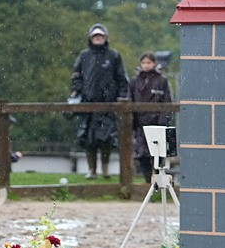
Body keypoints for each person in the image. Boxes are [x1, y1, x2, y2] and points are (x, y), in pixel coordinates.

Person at [70, 23, 129, 179]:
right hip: (88, 104)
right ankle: (91, 170)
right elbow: (76, 76)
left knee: (106, 139)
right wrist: (78, 90)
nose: (98, 38)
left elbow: (122, 78)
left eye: (101, 36)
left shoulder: (114, 56)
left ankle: (105, 170)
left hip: (108, 105)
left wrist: (121, 97)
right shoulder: (84, 56)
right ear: (90, 38)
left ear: (105, 38)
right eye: (95, 36)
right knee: (88, 139)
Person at [130, 51, 173, 182]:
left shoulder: (162, 80)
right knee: (142, 154)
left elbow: (167, 102)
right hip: (140, 124)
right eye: (143, 62)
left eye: (148, 62)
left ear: (155, 63)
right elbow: (129, 100)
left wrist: (162, 122)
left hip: (157, 123)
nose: (146, 65)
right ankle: (148, 181)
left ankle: (158, 181)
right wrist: (133, 122)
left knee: (158, 153)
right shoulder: (134, 81)